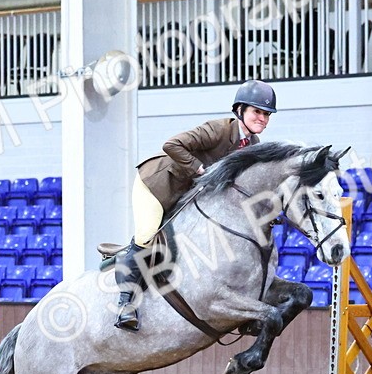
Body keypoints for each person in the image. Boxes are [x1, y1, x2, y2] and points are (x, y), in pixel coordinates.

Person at [114, 79, 278, 331]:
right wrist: (201, 169)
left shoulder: (253, 146)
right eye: (257, 112)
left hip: (188, 193)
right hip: (158, 184)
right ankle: (125, 303)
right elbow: (171, 144)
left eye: (266, 114)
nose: (263, 119)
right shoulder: (219, 130)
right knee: (147, 235)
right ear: (240, 110)